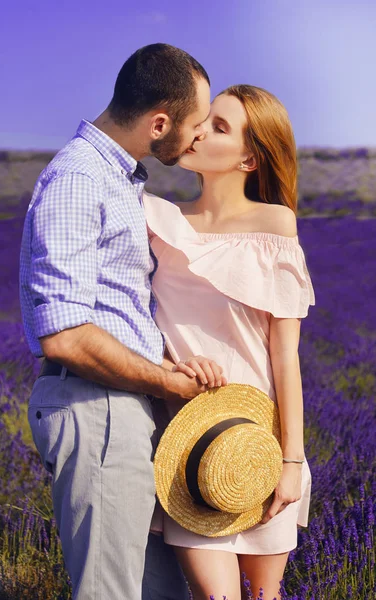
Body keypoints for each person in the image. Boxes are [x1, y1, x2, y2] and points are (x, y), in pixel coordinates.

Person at [19, 43, 225, 600]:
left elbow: (116, 313)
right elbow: (64, 335)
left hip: (124, 409)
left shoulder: (117, 181)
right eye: (196, 123)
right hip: (97, 410)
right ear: (160, 121)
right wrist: (165, 381)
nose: (200, 135)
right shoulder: (80, 180)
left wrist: (168, 364)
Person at [143, 84, 315, 600]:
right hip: (189, 448)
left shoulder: (274, 225)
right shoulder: (158, 221)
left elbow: (286, 357)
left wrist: (291, 463)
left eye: (219, 127)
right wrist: (168, 361)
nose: (198, 132)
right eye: (203, 120)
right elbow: (133, 321)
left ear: (250, 157)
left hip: (258, 444)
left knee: (266, 596)